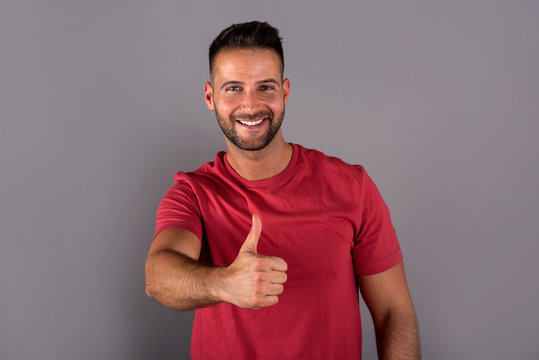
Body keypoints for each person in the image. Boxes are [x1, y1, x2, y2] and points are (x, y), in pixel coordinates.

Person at [145, 21, 420, 359]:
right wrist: (225, 284)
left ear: (285, 92)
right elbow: (158, 278)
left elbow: (394, 310)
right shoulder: (193, 193)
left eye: (266, 87)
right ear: (210, 96)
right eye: (233, 88)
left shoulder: (351, 187)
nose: (250, 105)